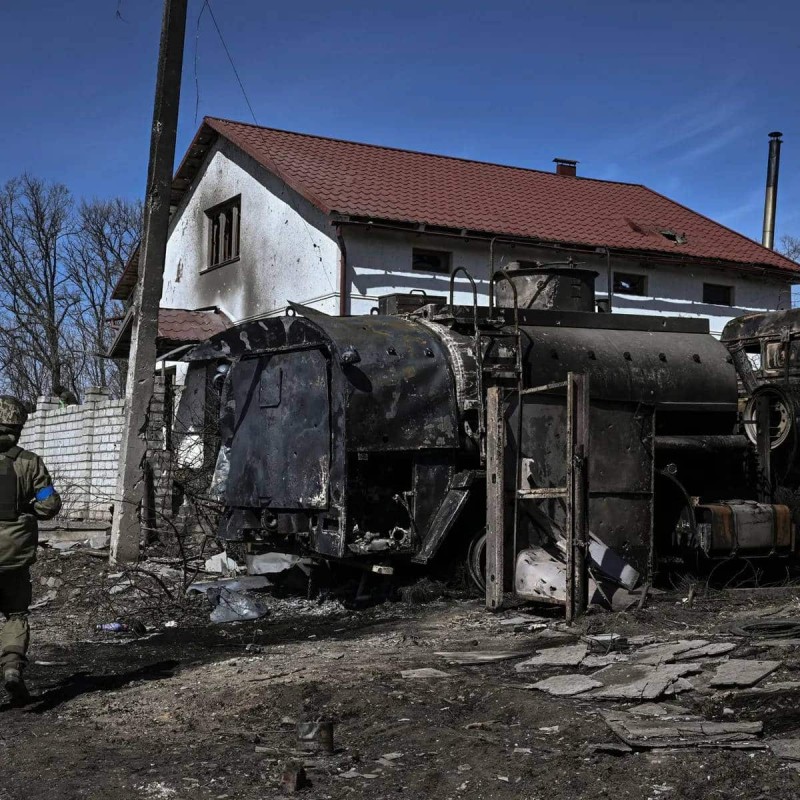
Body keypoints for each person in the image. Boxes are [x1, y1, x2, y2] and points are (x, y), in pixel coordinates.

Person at [0, 396, 61, 704]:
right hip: (13, 556)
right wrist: (27, 509)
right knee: (15, 612)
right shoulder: (29, 461)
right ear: (19, 426)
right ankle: (11, 668)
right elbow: (50, 504)